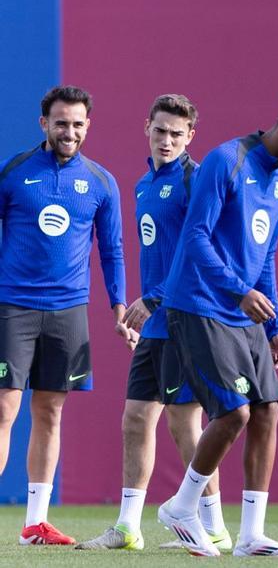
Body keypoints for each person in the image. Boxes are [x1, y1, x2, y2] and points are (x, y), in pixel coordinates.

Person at [155, 95, 278, 557]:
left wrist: (277, 323)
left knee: (268, 410)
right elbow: (195, 237)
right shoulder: (225, 161)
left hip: (246, 312)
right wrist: (238, 290)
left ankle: (251, 535)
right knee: (233, 413)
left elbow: (265, 255)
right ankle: (181, 507)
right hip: (199, 304)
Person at [76, 95, 231, 551]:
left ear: (190, 138)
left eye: (176, 134)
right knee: (135, 419)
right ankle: (127, 527)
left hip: (185, 317)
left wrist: (157, 296)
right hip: (155, 325)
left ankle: (216, 524)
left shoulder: (195, 179)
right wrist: (135, 314)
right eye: (160, 131)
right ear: (147, 127)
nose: (167, 140)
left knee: (186, 425)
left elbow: (204, 249)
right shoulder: (145, 184)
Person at [0, 85, 131, 545]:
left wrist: (119, 308)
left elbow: (112, 251)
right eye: (61, 123)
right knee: (3, 407)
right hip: (12, 307)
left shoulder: (101, 182)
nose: (69, 131)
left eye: (77, 124)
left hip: (67, 312)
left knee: (50, 412)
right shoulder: (14, 172)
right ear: (44, 124)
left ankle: (35, 522)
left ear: (88, 126)